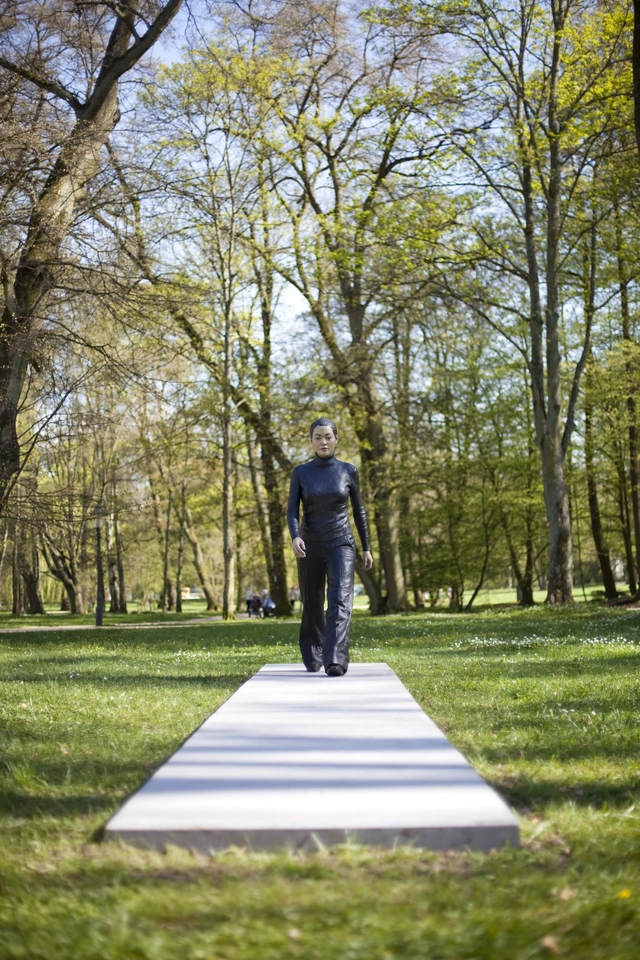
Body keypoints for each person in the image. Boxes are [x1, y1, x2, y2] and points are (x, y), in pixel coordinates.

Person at [287, 417, 373, 676]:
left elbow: (359, 511)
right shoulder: (301, 473)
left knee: (340, 600)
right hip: (309, 544)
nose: (323, 441)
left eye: (327, 436)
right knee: (312, 602)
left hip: (341, 543)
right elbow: (292, 510)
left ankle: (335, 659)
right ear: (311, 441)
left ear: (336, 439)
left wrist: (366, 547)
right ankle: (313, 653)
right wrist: (295, 536)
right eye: (317, 437)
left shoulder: (348, 471)